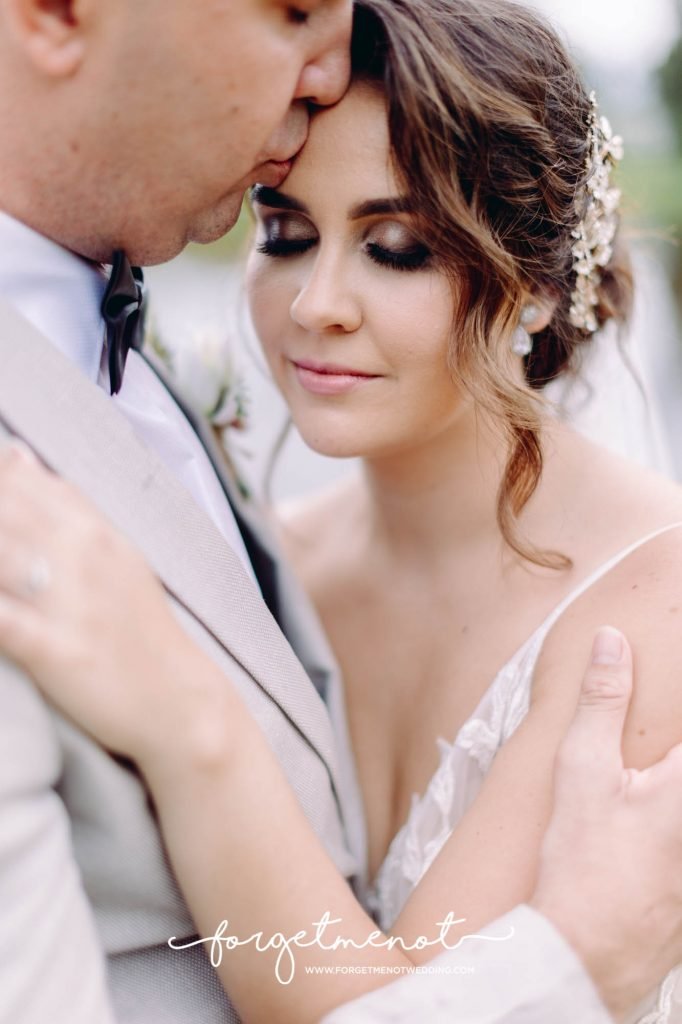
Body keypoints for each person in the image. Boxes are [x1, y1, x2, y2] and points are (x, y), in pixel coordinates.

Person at [0, 0, 682, 1022]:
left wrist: (190, 721)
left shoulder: (647, 610)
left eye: (396, 245)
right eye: (285, 232)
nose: (317, 301)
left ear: (536, 283)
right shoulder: (278, 563)